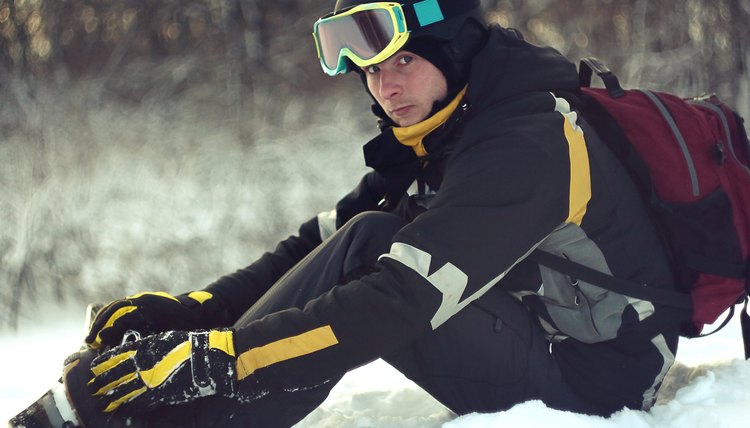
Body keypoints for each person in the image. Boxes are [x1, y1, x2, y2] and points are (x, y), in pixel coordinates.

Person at [58, 1, 687, 426]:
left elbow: (401, 299)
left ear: (454, 51)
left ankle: (176, 413)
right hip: (545, 335)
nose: (386, 87)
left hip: (601, 383)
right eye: (371, 69)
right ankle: (165, 399)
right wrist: (200, 311)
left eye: (404, 61)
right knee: (361, 235)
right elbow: (317, 244)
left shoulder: (524, 143)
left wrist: (219, 357)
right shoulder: (449, 128)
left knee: (372, 259)